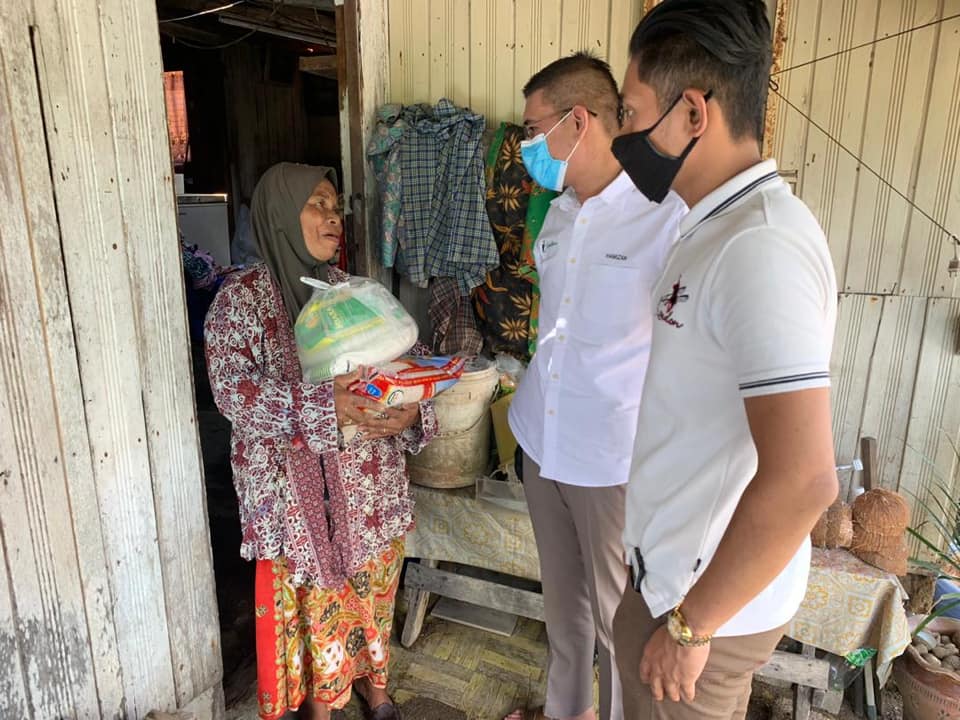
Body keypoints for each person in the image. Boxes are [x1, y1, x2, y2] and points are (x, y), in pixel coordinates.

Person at [610, 2, 840, 718]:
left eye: (630, 111)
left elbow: (805, 480)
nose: (622, 134)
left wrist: (690, 625)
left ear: (692, 115)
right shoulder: (712, 224)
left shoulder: (759, 247)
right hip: (671, 580)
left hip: (698, 608)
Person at [205, 162, 437, 720]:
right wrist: (320, 403)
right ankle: (323, 705)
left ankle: (377, 688)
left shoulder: (351, 290)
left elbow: (405, 366)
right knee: (315, 608)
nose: (334, 217)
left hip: (367, 487)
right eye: (318, 204)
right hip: (298, 502)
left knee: (375, 590)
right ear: (282, 215)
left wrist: (411, 413)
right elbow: (234, 393)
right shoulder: (240, 302)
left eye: (336, 206)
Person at [506, 53, 686, 720]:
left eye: (532, 129)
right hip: (540, 439)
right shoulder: (556, 214)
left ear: (578, 121)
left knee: (617, 626)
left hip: (609, 458)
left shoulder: (663, 218)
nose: (525, 146)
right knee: (564, 615)